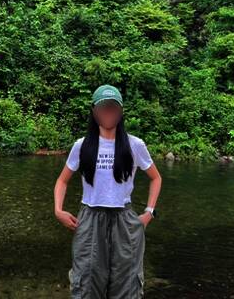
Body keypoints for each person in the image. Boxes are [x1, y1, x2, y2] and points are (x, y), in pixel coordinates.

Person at [54, 84, 162, 298]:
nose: (108, 112)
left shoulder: (134, 145)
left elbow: (156, 178)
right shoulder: (82, 145)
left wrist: (149, 212)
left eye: (113, 107)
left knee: (127, 284)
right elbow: (62, 181)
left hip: (124, 219)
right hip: (90, 218)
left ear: (120, 111)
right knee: (87, 282)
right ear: (94, 111)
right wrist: (58, 210)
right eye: (103, 107)